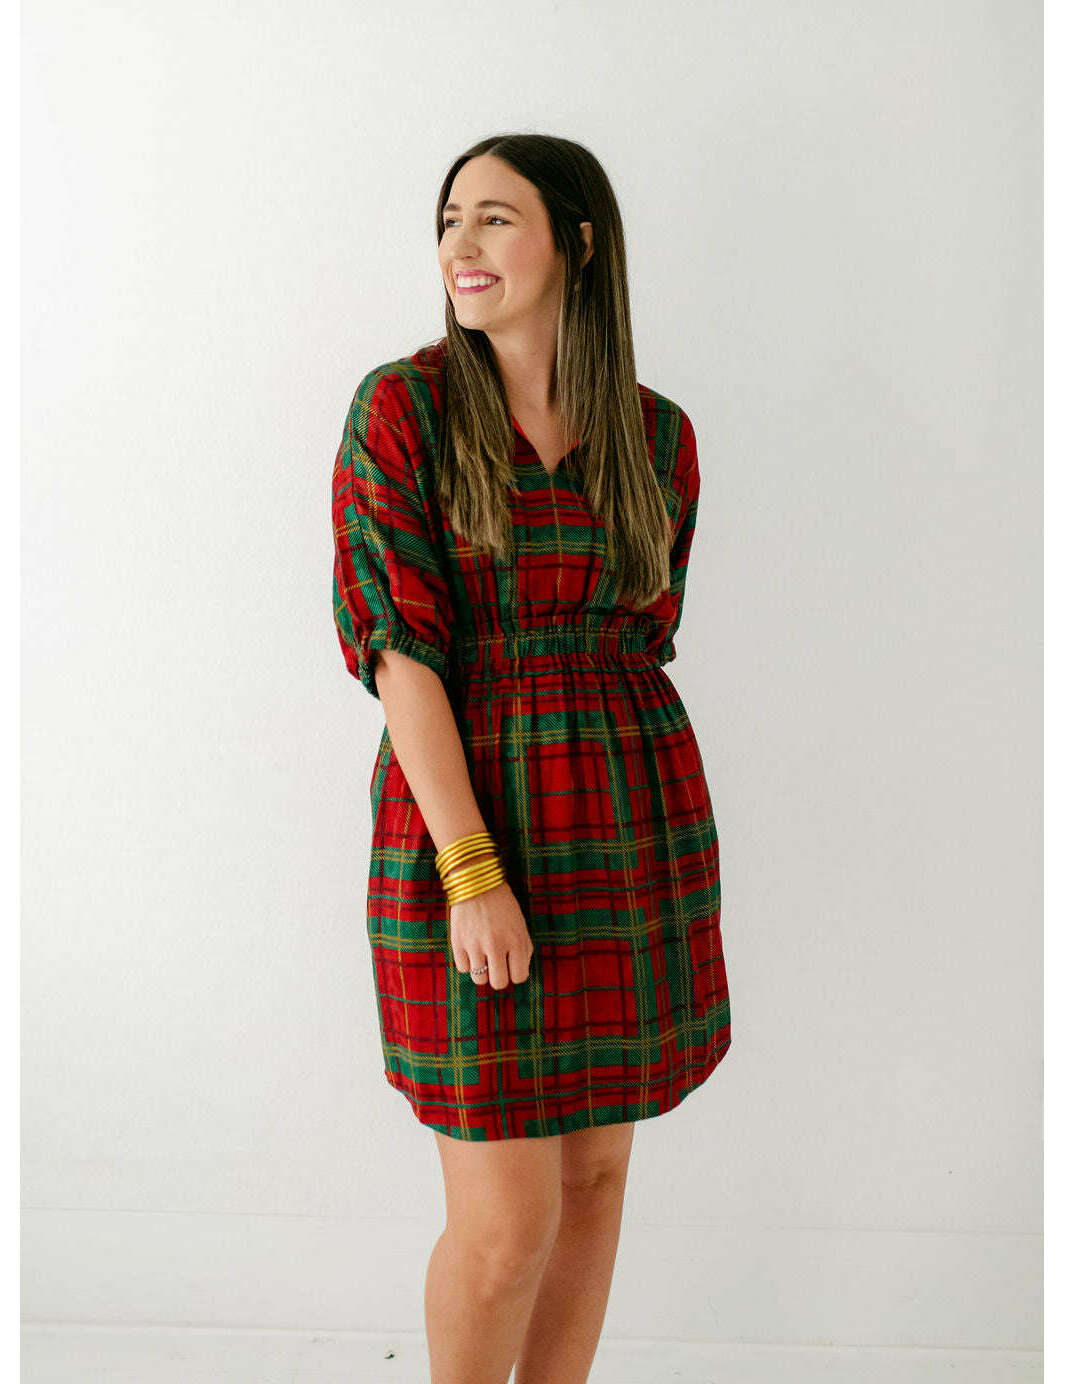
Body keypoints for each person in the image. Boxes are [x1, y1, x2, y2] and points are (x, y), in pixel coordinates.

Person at [330, 133, 731, 1384]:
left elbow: (643, 635)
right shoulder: (403, 411)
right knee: (507, 1225)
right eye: (449, 219)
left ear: (579, 243)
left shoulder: (656, 436)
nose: (460, 244)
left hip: (628, 825)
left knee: (594, 1181)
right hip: (473, 822)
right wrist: (469, 868)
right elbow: (398, 651)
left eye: (495, 218)